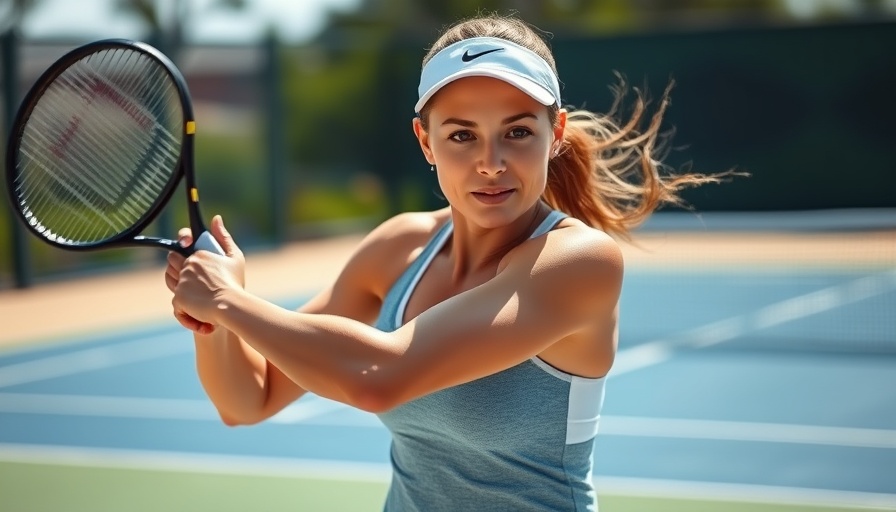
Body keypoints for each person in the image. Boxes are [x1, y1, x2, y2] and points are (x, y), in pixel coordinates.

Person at [165, 13, 726, 511]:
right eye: (461, 135)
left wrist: (228, 299)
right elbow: (248, 399)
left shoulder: (580, 262)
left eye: (517, 132)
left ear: (554, 134)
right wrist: (210, 321)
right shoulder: (398, 248)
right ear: (425, 141)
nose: (491, 162)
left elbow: (380, 378)